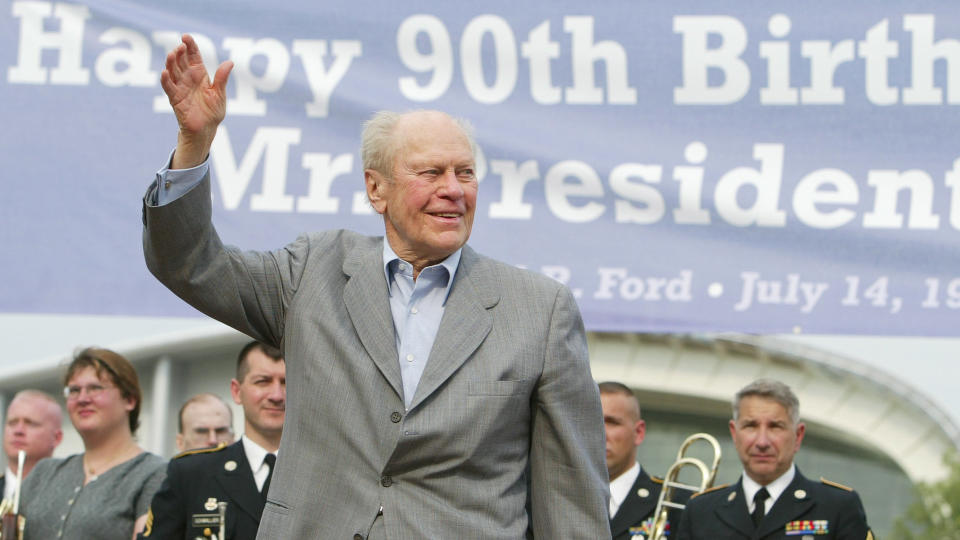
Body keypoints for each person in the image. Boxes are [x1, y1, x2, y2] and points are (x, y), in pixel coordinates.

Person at [142, 34, 609, 539]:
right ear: (375, 188)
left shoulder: (539, 311)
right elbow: (189, 264)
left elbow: (571, 495)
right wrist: (194, 146)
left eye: (465, 173)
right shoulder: (312, 271)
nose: (452, 189)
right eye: (430, 172)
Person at [675, 379, 874, 540]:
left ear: (798, 435)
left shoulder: (836, 507)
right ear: (735, 434)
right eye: (751, 426)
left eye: (775, 427)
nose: (762, 441)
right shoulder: (701, 511)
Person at [19, 347, 166, 540]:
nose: (82, 399)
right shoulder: (43, 473)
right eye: (74, 390)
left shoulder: (154, 474)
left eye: (95, 388)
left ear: (130, 400)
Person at [141, 342, 284, 540]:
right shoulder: (191, 473)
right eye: (263, 381)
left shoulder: (324, 475)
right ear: (236, 391)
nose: (276, 395)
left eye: (286, 382)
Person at [600, 382, 675, 540]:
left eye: (612, 422)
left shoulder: (675, 502)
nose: (600, 433)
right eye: (591, 422)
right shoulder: (552, 500)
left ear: (639, 432)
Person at [2, 390, 63, 502]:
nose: (18, 431)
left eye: (31, 423)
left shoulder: (66, 494)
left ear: (56, 438)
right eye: (12, 422)